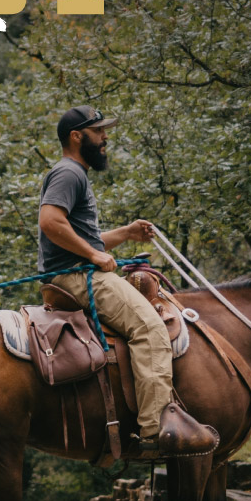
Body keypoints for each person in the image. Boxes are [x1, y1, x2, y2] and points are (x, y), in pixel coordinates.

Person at [38, 105, 210, 459]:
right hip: (78, 277)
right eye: (98, 131)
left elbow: (83, 237)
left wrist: (125, 235)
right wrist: (96, 258)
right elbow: (51, 222)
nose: (105, 138)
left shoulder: (72, 173)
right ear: (77, 136)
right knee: (150, 329)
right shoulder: (70, 173)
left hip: (76, 270)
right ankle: (154, 431)